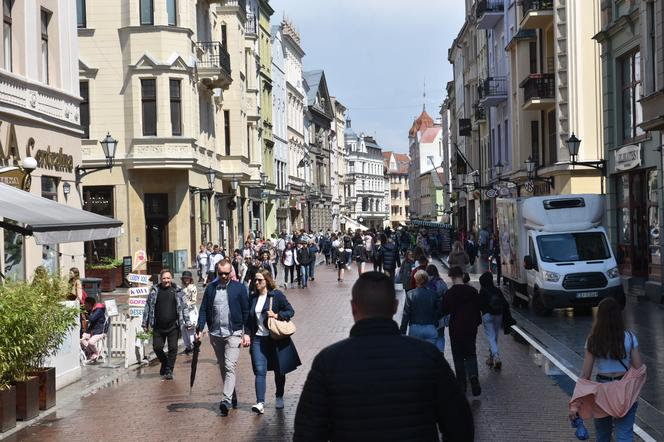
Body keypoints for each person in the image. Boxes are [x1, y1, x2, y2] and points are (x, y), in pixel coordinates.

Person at [294, 272, 473, 441]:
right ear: (395, 306)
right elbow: (460, 423)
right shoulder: (428, 356)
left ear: (353, 307)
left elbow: (307, 432)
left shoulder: (328, 362)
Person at [569, 297, 645, 442]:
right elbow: (638, 367)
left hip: (602, 392)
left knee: (603, 435)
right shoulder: (629, 337)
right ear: (618, 316)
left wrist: (576, 402)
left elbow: (585, 374)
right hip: (624, 390)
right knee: (625, 434)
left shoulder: (593, 340)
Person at [196, 260, 250, 416]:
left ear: (231, 272)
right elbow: (204, 309)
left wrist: (246, 332)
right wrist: (200, 328)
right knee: (222, 366)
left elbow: (246, 311)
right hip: (216, 333)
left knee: (229, 365)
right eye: (221, 273)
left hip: (233, 332)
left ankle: (225, 400)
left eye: (227, 273)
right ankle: (232, 394)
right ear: (217, 273)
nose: (224, 276)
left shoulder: (239, 288)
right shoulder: (211, 288)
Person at [247, 269, 301, 414]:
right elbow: (248, 319)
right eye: (255, 280)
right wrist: (246, 335)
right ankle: (260, 402)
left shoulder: (276, 295)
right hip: (258, 339)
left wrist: (277, 315)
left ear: (267, 281)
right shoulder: (252, 298)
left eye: (260, 280)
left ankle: (279, 396)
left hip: (275, 338)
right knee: (259, 371)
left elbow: (290, 311)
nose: (256, 283)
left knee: (279, 370)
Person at [142, 269, 191, 380]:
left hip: (173, 326)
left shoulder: (177, 291)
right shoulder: (155, 291)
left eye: (168, 278)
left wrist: (187, 322)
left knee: (173, 348)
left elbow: (184, 307)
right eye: (164, 278)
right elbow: (148, 307)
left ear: (171, 278)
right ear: (161, 279)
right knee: (157, 347)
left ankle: (169, 370)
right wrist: (144, 322)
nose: (166, 280)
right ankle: (164, 362)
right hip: (158, 326)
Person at [441, 266, 482, 396]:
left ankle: (462, 384)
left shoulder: (449, 293)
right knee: (471, 353)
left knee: (458, 356)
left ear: (452, 277)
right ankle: (474, 376)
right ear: (462, 276)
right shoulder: (473, 291)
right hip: (470, 327)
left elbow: (444, 310)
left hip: (456, 328)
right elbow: (478, 308)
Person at [400, 270, 440, 347]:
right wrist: (435, 323)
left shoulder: (410, 294)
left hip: (415, 328)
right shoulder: (434, 294)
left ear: (416, 280)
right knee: (429, 356)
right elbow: (439, 311)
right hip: (430, 327)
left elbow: (406, 314)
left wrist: (402, 332)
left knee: (415, 356)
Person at [478, 272, 507, 369]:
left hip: (487, 315)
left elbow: (480, 305)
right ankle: (492, 357)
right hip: (498, 314)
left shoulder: (482, 291)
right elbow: (504, 303)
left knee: (491, 337)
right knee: (495, 337)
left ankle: (496, 356)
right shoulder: (497, 290)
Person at [426, 264, 449, 353]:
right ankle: (440, 354)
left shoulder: (426, 284)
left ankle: (432, 354)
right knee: (440, 336)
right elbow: (447, 298)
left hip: (429, 315)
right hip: (440, 315)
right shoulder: (442, 283)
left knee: (430, 336)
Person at [80, 297, 106, 363]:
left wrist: (87, 312)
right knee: (81, 339)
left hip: (99, 331)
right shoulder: (93, 310)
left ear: (90, 304)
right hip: (92, 330)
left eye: (86, 304)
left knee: (91, 342)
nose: (85, 305)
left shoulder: (98, 310)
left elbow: (92, 319)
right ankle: (91, 353)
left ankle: (97, 353)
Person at [180, 271, 198, 355]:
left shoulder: (193, 287)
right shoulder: (182, 287)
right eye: (185, 278)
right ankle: (188, 347)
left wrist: (186, 305)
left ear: (190, 279)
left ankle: (193, 347)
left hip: (190, 311)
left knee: (190, 328)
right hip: (183, 311)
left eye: (187, 278)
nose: (186, 279)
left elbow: (194, 300)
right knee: (183, 329)